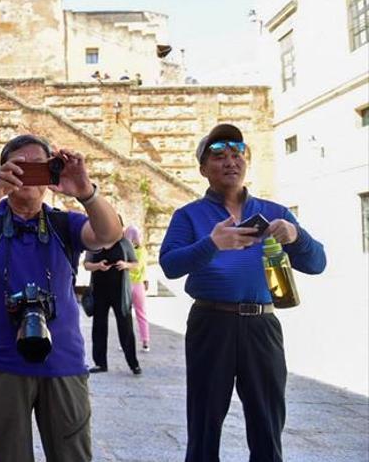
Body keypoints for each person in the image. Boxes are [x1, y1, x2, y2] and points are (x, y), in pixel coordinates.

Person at [0, 134, 122, 462]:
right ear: (3, 171)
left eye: (38, 167)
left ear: (52, 174)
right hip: (2, 362)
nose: (28, 175)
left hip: (63, 362)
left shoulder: (65, 224)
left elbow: (109, 234)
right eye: (19, 167)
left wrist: (86, 191)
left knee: (73, 456)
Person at [159, 123, 326, 462]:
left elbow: (317, 263)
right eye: (219, 156)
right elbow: (170, 265)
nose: (230, 161)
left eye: (237, 154)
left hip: (261, 326)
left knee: (267, 423)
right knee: (204, 422)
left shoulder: (274, 213)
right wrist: (212, 244)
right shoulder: (189, 215)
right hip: (211, 322)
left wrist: (296, 236)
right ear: (203, 168)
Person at [84, 224, 142, 375]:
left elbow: (136, 263)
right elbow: (86, 265)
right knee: (99, 327)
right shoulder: (95, 243)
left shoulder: (125, 244)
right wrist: (98, 265)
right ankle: (100, 363)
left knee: (126, 327)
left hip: (120, 293)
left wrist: (125, 264)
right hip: (99, 291)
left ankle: (133, 363)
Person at [124, 225, 150, 352]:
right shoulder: (143, 250)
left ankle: (126, 341)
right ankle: (145, 341)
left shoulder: (125, 250)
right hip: (139, 284)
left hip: (126, 284)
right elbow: (143, 267)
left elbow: (130, 267)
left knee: (126, 314)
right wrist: (146, 280)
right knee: (141, 313)